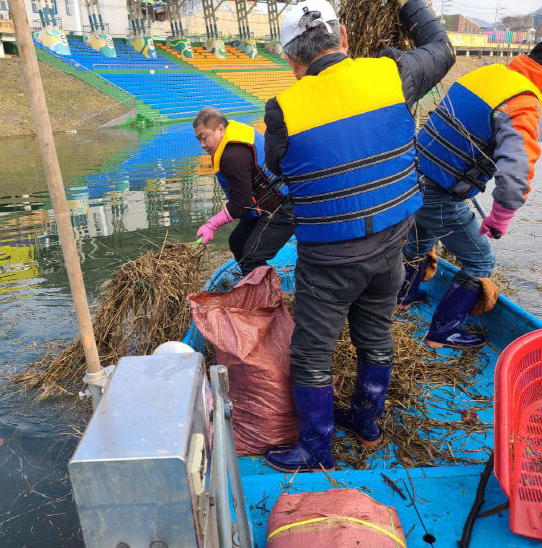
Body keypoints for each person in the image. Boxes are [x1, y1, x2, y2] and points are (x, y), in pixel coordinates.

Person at [262, 0, 454, 472]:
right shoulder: (392, 74)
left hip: (330, 259)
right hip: (392, 244)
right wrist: (409, 5)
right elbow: (442, 49)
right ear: (343, 36)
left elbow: (277, 165)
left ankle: (316, 449)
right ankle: (367, 425)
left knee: (312, 352)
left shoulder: (282, 109)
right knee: (375, 335)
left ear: (291, 59)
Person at [398, 43, 542, 348]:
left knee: (419, 243)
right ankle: (443, 331)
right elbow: (517, 171)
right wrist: (499, 217)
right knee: (480, 262)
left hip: (411, 176)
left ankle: (404, 296)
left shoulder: (489, 74)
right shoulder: (523, 102)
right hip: (439, 191)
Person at [193, 108, 295, 276]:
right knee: (237, 242)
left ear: (220, 129)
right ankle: (253, 280)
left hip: (283, 206)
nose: (202, 145)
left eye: (204, 138)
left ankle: (264, 299)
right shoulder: (231, 139)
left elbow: (241, 204)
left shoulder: (233, 156)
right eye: (199, 140)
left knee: (251, 256)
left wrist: (212, 225)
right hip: (266, 204)